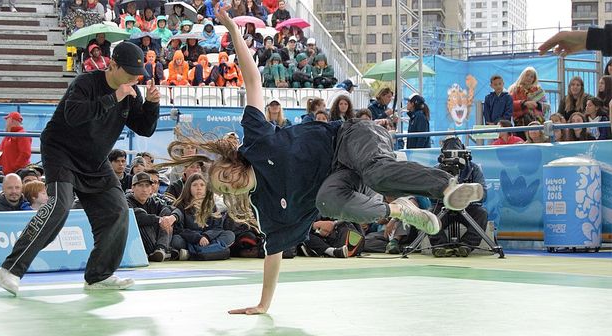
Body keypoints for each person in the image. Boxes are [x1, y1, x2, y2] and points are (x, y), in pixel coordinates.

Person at [162, 5, 485, 315]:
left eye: (225, 175)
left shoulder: (257, 139)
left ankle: (446, 188)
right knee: (329, 201)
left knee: (376, 173)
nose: (229, 184)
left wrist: (233, 30)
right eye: (225, 190)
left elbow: (253, 82)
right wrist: (263, 303)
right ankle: (402, 210)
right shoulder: (267, 207)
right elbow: (272, 254)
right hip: (345, 181)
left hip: (350, 137)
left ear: (234, 162)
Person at [0, 42, 160, 296]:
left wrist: (150, 104)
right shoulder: (86, 83)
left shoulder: (131, 92)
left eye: (137, 75)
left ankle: (99, 275)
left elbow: (145, 128)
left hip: (94, 160)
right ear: (112, 65)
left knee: (117, 210)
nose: (133, 79)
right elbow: (74, 115)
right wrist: (114, 97)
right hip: (62, 151)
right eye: (128, 72)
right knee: (60, 204)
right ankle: (11, 269)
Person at [430, 137, 488, 258]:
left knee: (481, 214)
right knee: (429, 215)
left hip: (468, 207)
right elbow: (431, 196)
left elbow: (483, 195)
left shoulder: (473, 168)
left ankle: (466, 245)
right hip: (443, 207)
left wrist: (466, 195)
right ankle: (440, 246)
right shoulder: (437, 169)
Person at [173, 173, 235, 260]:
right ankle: (212, 250)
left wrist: (206, 236)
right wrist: (198, 238)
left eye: (202, 185)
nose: (199, 188)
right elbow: (179, 229)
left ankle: (193, 253)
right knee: (176, 240)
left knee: (229, 235)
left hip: (208, 239)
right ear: (188, 188)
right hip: (190, 239)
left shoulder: (211, 204)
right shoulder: (181, 204)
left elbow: (217, 228)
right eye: (195, 185)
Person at [127, 172, 182, 262]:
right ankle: (166, 251)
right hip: (136, 242)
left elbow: (177, 210)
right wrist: (159, 220)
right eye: (140, 185)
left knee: (167, 212)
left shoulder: (153, 201)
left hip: (155, 240)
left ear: (151, 189)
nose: (144, 189)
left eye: (147, 186)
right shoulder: (126, 200)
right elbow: (137, 217)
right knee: (144, 216)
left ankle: (161, 249)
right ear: (133, 187)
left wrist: (171, 218)